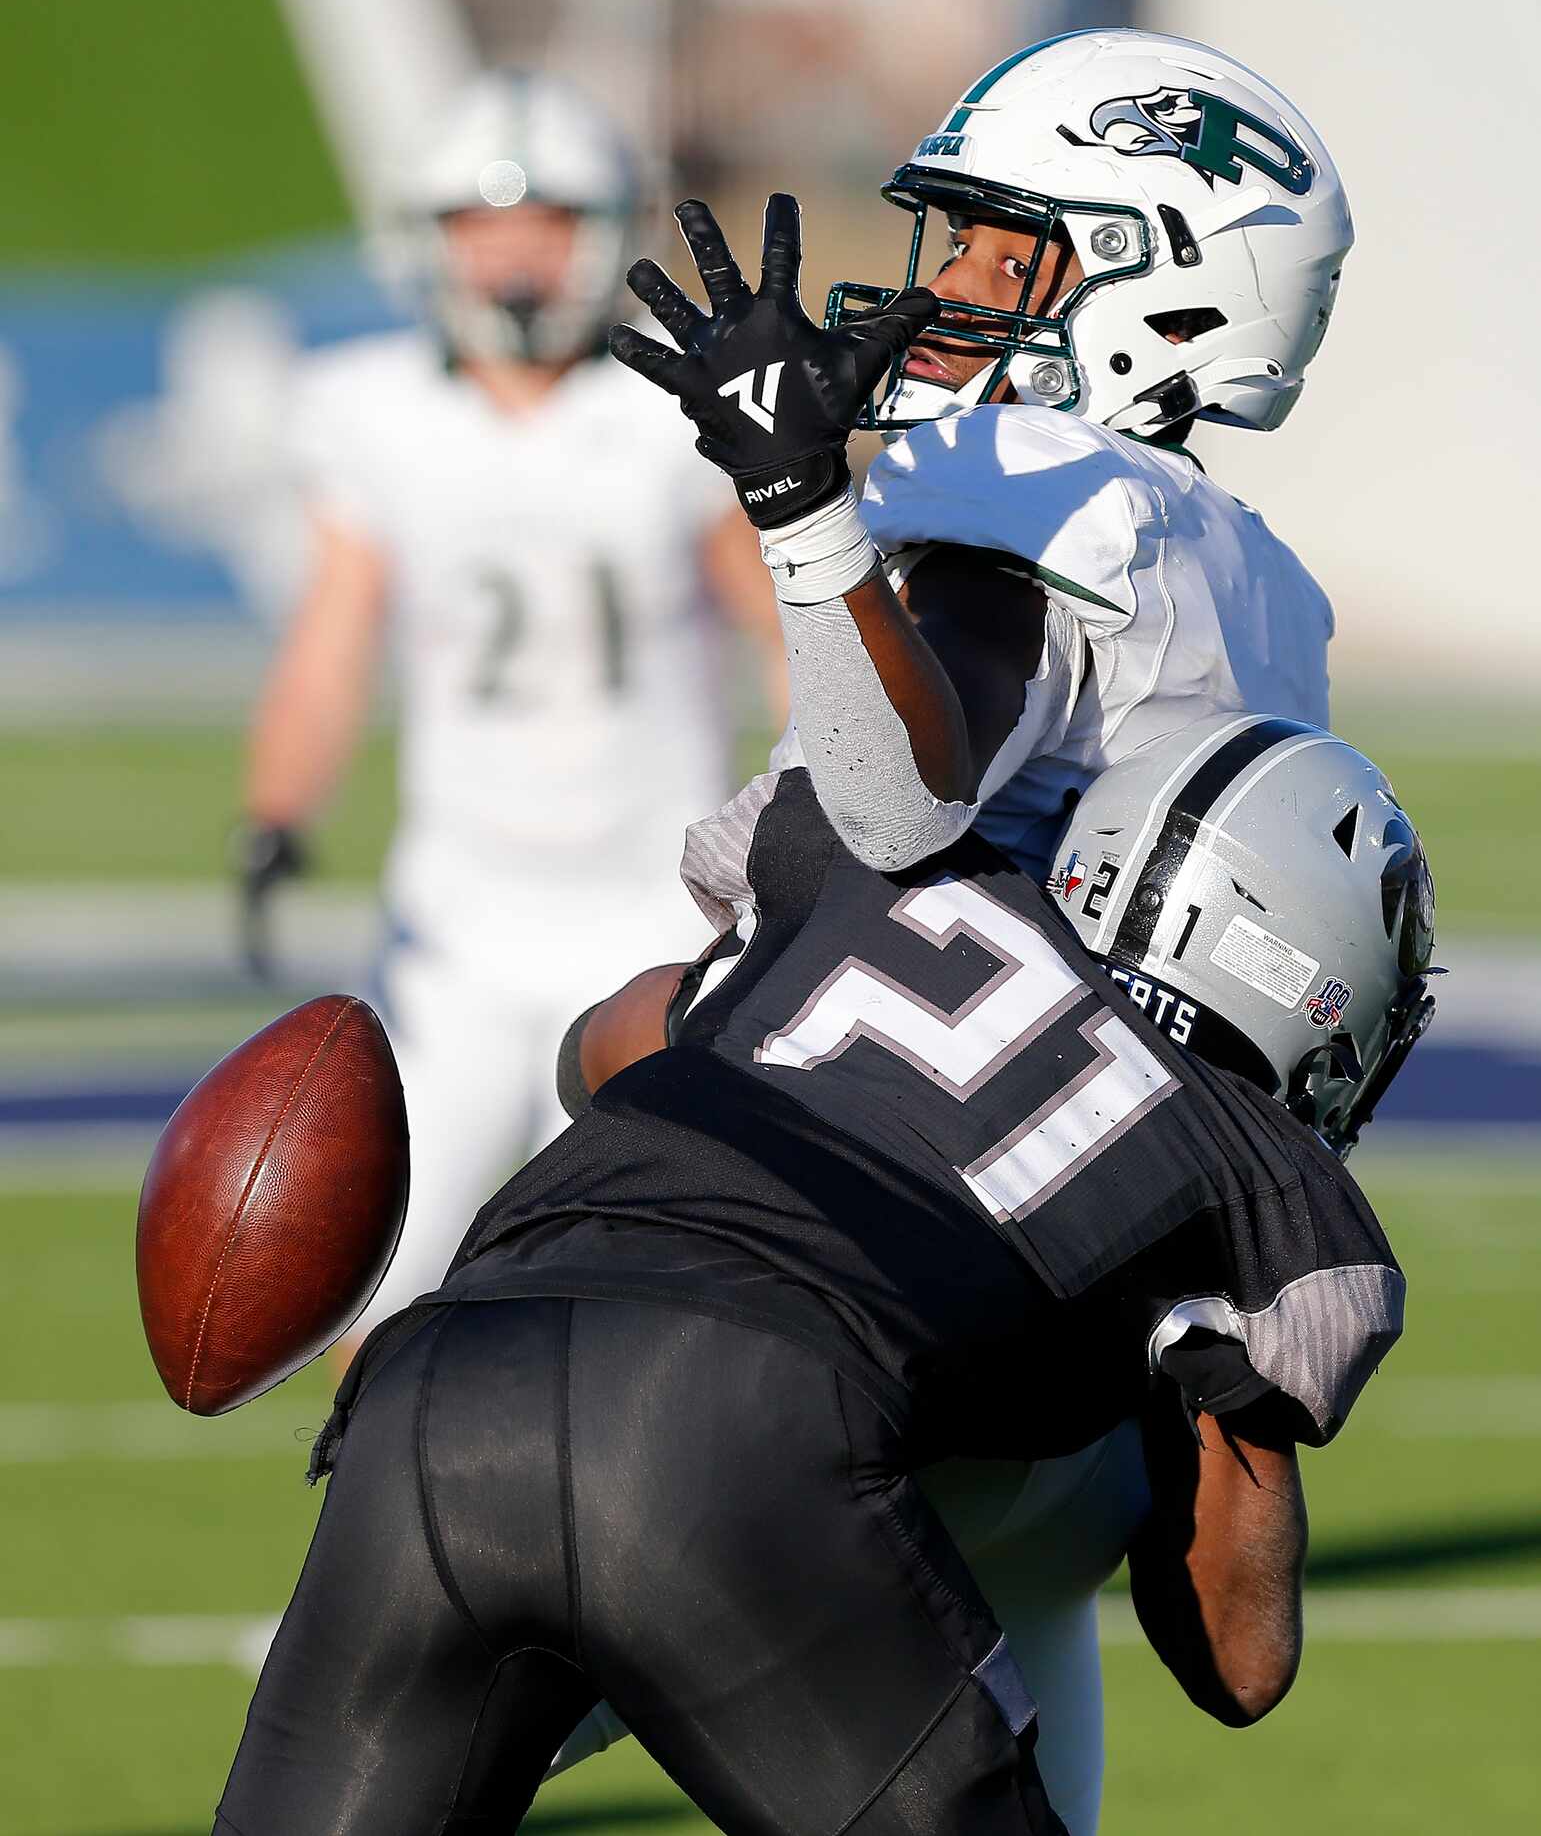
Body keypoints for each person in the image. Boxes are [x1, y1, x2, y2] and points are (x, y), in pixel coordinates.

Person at [212, 714, 1435, 1835]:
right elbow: (1238, 1662)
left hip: (440, 1382)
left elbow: (599, 1052)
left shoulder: (874, 888)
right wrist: (1220, 1401)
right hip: (731, 1427)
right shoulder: (1254, 1176)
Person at [609, 28, 1356, 1821]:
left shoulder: (1042, 489)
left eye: (1006, 249)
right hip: (1089, 1343)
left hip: (863, 1295)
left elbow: (893, 808)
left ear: (1169, 292)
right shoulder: (1266, 582)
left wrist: (800, 506)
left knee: (483, 1575)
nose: (944, 285)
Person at [233, 70, 778, 1339]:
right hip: (457, 923)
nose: (513, 256)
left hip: (653, 912)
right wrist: (275, 809)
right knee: (369, 1278)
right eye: (483, 226)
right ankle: (386, 1526)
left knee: (601, 1281)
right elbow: (331, 636)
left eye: (544, 223)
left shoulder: (673, 409)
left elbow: (784, 629)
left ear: (605, 236)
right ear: (430, 239)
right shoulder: (369, 411)